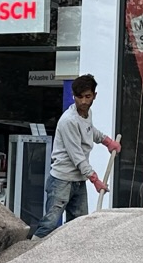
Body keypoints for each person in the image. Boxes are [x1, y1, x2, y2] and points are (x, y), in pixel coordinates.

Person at [32, 74, 119, 237]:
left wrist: (106, 141)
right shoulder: (68, 120)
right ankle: (30, 249)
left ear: (94, 95)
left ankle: (69, 252)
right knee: (50, 224)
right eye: (79, 97)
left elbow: (90, 130)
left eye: (88, 96)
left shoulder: (87, 114)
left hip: (78, 180)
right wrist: (94, 179)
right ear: (74, 96)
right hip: (61, 180)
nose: (84, 101)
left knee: (79, 226)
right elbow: (77, 156)